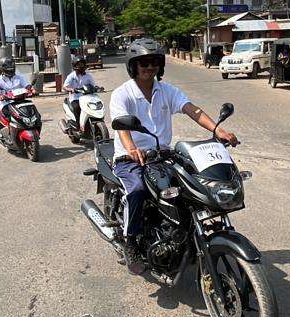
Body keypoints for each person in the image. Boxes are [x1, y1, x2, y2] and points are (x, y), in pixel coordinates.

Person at [109, 45, 239, 274]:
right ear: (134, 66)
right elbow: (121, 123)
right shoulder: (123, 93)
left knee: (192, 184)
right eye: (143, 63)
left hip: (162, 155)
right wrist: (131, 148)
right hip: (130, 159)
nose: (149, 67)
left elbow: (193, 110)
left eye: (153, 62)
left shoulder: (167, 90)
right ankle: (130, 242)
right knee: (137, 190)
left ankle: (183, 233)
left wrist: (219, 131)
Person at [63, 58, 97, 124]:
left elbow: (93, 85)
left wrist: (97, 88)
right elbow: (64, 87)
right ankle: (78, 126)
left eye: (82, 64)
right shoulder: (71, 76)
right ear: (75, 66)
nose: (81, 66)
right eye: (79, 65)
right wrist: (71, 89)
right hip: (75, 98)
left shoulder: (88, 76)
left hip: (87, 97)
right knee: (77, 108)